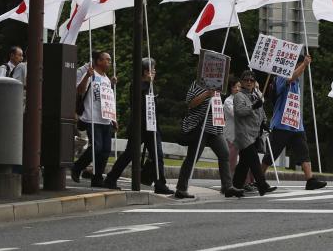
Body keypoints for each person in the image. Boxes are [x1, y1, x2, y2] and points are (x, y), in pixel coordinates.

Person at [103, 58, 172, 195]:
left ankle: (160, 183)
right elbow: (139, 102)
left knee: (158, 156)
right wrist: (149, 83)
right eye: (152, 69)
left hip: (152, 126)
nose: (154, 72)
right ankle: (111, 178)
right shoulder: (137, 85)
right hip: (139, 126)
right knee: (129, 154)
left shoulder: (151, 85)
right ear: (146, 71)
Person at [260, 54, 327, 190]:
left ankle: (310, 180)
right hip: (281, 124)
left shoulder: (297, 83)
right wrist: (304, 64)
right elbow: (291, 77)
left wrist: (303, 66)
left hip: (296, 125)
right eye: (300, 65)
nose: (302, 69)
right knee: (271, 154)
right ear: (294, 65)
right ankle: (258, 179)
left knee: (304, 152)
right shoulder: (282, 77)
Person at [175, 76, 240, 199]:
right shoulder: (198, 83)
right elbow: (190, 103)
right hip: (200, 127)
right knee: (192, 158)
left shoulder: (219, 84)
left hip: (214, 126)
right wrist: (206, 94)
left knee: (224, 153)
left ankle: (227, 187)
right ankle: (181, 188)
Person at [71, 51, 117, 187]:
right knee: (96, 148)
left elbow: (109, 100)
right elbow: (79, 90)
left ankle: (97, 178)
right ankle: (77, 167)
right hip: (92, 117)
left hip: (105, 119)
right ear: (98, 61)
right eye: (107, 59)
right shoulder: (91, 75)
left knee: (105, 151)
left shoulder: (107, 79)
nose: (109, 62)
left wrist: (114, 118)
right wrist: (87, 76)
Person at [231, 71, 276, 195]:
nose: (249, 82)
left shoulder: (256, 95)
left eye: (251, 80)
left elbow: (261, 111)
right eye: (246, 80)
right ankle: (262, 185)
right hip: (244, 134)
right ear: (242, 82)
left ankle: (234, 188)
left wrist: (264, 123)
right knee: (254, 160)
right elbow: (240, 111)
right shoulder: (239, 96)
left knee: (244, 164)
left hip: (254, 133)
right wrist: (253, 107)